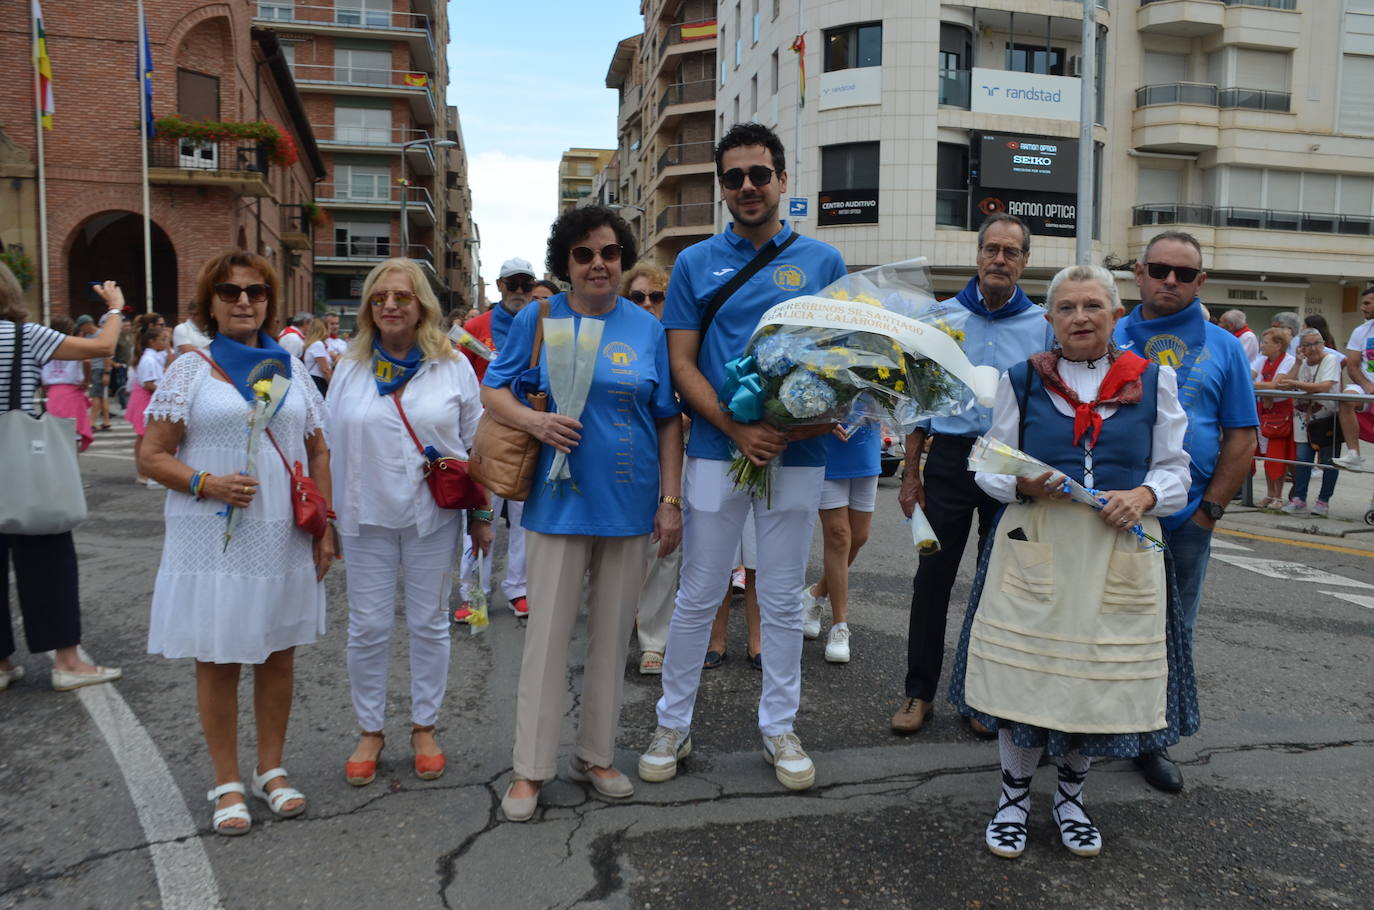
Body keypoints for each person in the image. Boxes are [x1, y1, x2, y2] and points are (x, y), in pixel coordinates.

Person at [948, 264, 1196, 859]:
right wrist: (1026, 485)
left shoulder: (1154, 381)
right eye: (1066, 308)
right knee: (1023, 675)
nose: (1079, 317)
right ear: (1049, 318)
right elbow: (988, 464)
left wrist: (1144, 496)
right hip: (1037, 541)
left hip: (1120, 546)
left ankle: (1070, 798)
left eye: (1092, 306)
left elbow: (1177, 470)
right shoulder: (1023, 380)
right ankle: (1012, 796)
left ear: (1115, 313)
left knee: (1093, 679)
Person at [640, 122, 846, 792]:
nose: (749, 187)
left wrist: (799, 422)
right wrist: (737, 428)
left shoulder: (823, 262)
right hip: (712, 451)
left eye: (761, 174)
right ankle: (673, 721)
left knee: (782, 595)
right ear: (721, 187)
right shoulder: (696, 264)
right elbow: (681, 362)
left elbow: (844, 363)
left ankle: (779, 726)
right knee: (700, 591)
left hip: (796, 452)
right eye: (735, 177)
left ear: (783, 181)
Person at [481, 206, 682, 821]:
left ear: (622, 260)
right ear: (564, 263)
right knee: (544, 642)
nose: (599, 263)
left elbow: (668, 417)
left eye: (610, 253)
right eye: (584, 254)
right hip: (557, 505)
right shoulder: (540, 317)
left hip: (628, 504)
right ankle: (530, 768)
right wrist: (534, 420)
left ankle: (595, 755)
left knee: (609, 641)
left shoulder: (647, 328)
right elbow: (493, 388)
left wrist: (670, 502)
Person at [140, 250, 333, 837]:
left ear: (270, 300)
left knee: (278, 652)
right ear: (211, 304)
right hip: (213, 535)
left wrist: (325, 526)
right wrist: (207, 482)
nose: (244, 300)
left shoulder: (293, 367)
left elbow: (318, 448)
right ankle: (226, 779)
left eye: (254, 291)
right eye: (229, 292)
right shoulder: (190, 369)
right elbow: (150, 456)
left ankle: (269, 770)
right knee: (219, 654)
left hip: (282, 531)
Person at [325, 257, 490, 790]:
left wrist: (482, 514)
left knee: (429, 624)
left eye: (402, 296)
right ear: (369, 308)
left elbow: (477, 445)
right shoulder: (349, 367)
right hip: (364, 516)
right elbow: (326, 445)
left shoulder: (453, 366)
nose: (391, 305)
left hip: (433, 518)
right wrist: (328, 518)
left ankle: (424, 727)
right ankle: (370, 730)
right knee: (368, 628)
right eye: (380, 297)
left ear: (422, 304)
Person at [893, 213, 1050, 735]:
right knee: (932, 579)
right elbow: (917, 401)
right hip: (950, 461)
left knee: (998, 585)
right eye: (992, 250)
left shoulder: (1043, 325)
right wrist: (911, 473)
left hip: (1010, 464)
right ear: (977, 256)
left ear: (1025, 261)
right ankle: (919, 693)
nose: (1000, 260)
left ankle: (981, 698)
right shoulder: (940, 318)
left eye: (1011, 252)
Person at [1114, 230, 1257, 792]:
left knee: (1174, 631)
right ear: (1138, 273)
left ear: (1201, 282)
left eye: (1182, 273)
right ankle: (1089, 726)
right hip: (1114, 516)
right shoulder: (1108, 331)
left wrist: (1208, 514)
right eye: (1158, 269)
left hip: (1186, 521)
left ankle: (1155, 740)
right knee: (1105, 620)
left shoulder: (1223, 347)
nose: (1168, 280)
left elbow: (1241, 437)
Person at [1, 264, 125, 694]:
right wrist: (115, 308)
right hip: (22, 464)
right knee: (48, 556)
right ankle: (67, 660)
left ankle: (1, 662)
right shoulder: (25, 335)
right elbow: (103, 346)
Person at [455, 257, 539, 622]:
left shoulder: (542, 324)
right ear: (500, 286)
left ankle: (518, 590)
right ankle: (474, 594)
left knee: (524, 519)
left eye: (525, 283)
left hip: (531, 432)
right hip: (486, 435)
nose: (519, 291)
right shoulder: (475, 328)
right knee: (481, 513)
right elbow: (456, 377)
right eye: (512, 284)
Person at [621, 262, 678, 673]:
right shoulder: (616, 335)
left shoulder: (678, 341)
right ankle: (618, 620)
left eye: (655, 296)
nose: (646, 304)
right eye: (637, 296)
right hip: (624, 455)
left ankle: (653, 638)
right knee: (621, 547)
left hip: (673, 454)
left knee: (664, 548)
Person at [800, 415, 881, 663]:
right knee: (838, 536)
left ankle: (815, 593)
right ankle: (840, 627)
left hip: (865, 440)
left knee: (859, 537)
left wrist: (883, 404)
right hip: (826, 441)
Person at [1278, 329, 1343, 515]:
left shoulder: (1330, 359)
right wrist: (1298, 363)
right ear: (1301, 348)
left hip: (1326, 418)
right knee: (1302, 461)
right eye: (1309, 345)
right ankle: (1299, 499)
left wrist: (1296, 385)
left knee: (1329, 462)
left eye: (1318, 343)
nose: (1314, 348)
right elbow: (1284, 382)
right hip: (1302, 419)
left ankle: (1323, 501)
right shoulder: (1302, 362)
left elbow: (1324, 385)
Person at [1250, 327, 1295, 510]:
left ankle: (1278, 495)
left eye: (1266, 342)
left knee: (1277, 454)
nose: (1262, 345)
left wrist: (1260, 386)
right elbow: (1247, 378)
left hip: (1281, 413)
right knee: (1267, 454)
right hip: (1263, 410)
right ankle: (1269, 493)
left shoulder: (1289, 361)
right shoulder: (1261, 360)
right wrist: (1265, 388)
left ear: (1278, 345)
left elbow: (1277, 384)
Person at [1333, 286, 1374, 471]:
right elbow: (1352, 366)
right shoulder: (1361, 331)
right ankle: (1353, 454)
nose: (1362, 307)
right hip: (1366, 386)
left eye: (1367, 303)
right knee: (1346, 398)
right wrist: (1368, 386)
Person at [40, 316, 95, 453]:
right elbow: (87, 361)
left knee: (57, 435)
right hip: (72, 391)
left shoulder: (46, 346)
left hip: (53, 392)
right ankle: (73, 469)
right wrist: (86, 380)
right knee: (73, 435)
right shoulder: (73, 345)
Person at [129, 323, 170, 488]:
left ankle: (144, 473)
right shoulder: (148, 359)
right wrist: (165, 391)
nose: (165, 342)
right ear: (152, 341)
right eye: (162, 339)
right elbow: (148, 384)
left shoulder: (153, 357)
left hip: (147, 398)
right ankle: (144, 473)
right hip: (145, 399)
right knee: (145, 438)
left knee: (143, 437)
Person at [80, 316, 112, 431]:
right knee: (102, 396)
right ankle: (106, 421)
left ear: (87, 324)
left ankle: (92, 421)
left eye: (82, 327)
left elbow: (107, 354)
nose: (82, 330)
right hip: (93, 368)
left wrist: (106, 372)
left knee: (96, 396)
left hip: (100, 369)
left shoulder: (100, 334)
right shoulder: (87, 336)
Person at [301, 315, 333, 395]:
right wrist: (332, 386)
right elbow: (325, 369)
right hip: (318, 382)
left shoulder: (313, 344)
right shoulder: (318, 344)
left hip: (314, 381)